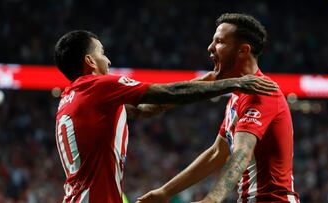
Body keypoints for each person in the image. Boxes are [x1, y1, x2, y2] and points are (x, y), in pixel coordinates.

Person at [53, 30, 277, 203]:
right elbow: (168, 93)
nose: (108, 61)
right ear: (90, 61)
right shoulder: (99, 86)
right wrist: (232, 83)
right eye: (101, 53)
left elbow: (144, 109)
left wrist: (204, 81)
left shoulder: (70, 100)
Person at [137, 13, 300, 203]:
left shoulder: (261, 92)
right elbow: (217, 152)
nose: (210, 48)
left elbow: (241, 153)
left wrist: (212, 199)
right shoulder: (237, 95)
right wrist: (165, 192)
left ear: (243, 50)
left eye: (219, 42)